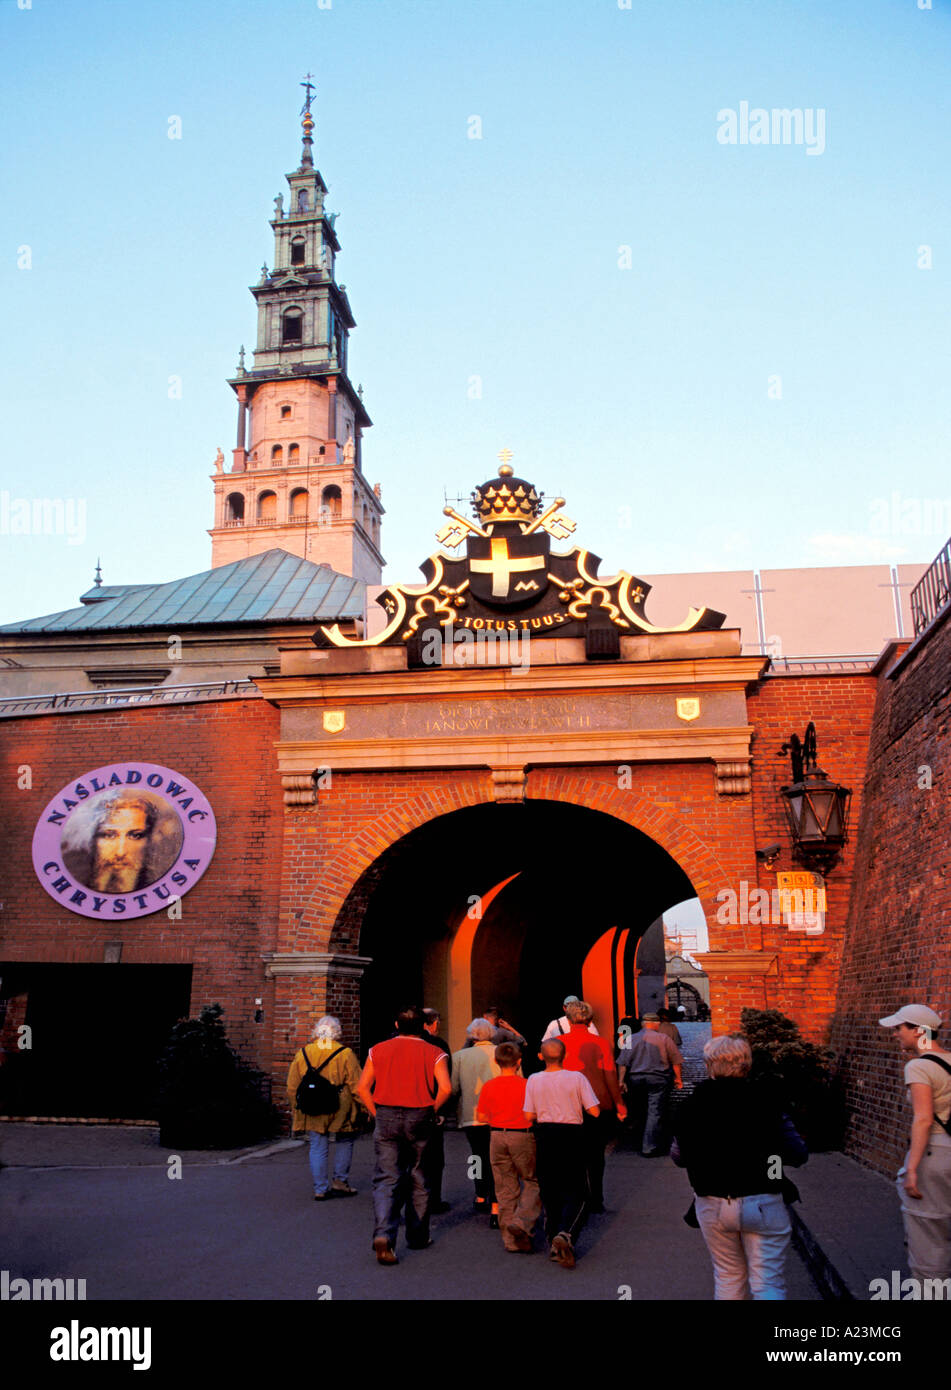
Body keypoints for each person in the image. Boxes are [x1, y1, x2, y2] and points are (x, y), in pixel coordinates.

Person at [671, 1034, 807, 1300]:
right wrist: (773, 1164)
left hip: (712, 1200)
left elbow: (679, 1156)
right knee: (767, 1283)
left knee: (728, 1276)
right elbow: (797, 1152)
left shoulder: (690, 1106)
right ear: (746, 1064)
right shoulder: (767, 1101)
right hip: (763, 1197)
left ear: (710, 1064)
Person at [355, 1005, 451, 1265]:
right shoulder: (435, 1052)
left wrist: (376, 1112)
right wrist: (432, 1108)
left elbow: (362, 1087)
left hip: (386, 1113)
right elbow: (446, 1088)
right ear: (423, 1026)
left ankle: (384, 1233)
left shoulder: (378, 1050)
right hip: (420, 1114)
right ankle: (418, 1235)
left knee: (387, 1177)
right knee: (420, 1174)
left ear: (396, 1026)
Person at [879, 1003, 951, 1286]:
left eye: (899, 1028)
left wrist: (911, 1169)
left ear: (919, 1031)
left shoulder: (919, 1066)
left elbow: (922, 1119)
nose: (896, 1034)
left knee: (929, 1242)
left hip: (935, 1155)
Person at [524, 1037, 600, 1268]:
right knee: (580, 1191)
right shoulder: (577, 1077)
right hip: (572, 1135)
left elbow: (528, 1115)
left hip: (545, 1134)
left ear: (541, 1056)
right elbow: (594, 1111)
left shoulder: (534, 1079)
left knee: (550, 1189)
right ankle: (566, 1233)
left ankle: (552, 1239)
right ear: (565, 1056)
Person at [286, 1015, 364, 1200]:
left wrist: (296, 1107)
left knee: (317, 1145)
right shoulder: (345, 1053)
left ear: (317, 1030)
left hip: (312, 1104)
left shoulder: (303, 1053)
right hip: (340, 1104)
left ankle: (320, 1188)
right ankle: (340, 1181)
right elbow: (357, 1084)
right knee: (345, 1140)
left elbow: (292, 1086)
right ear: (337, 1031)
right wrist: (365, 1107)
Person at [561, 1000, 627, 1212]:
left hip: (567, 1103)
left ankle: (577, 1196)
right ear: (590, 1020)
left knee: (571, 1153)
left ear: (568, 1019)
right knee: (595, 1154)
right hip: (597, 1102)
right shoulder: (600, 1043)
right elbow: (610, 1075)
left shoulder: (558, 1043)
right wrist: (619, 1103)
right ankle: (595, 1198)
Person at [476, 1042, 541, 1252]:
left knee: (504, 1187)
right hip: (522, 1135)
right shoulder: (527, 1085)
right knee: (532, 1181)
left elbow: (481, 1116)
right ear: (519, 1062)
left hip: (496, 1135)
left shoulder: (489, 1086)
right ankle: (522, 1222)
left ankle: (510, 1240)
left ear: (496, 1061)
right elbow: (535, 1113)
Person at [452, 1018, 501, 1224]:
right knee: (497, 1158)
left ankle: (480, 1193)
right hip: (498, 1113)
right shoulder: (501, 1052)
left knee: (477, 1156)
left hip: (471, 1112)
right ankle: (497, 1200)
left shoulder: (459, 1056)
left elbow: (453, 1088)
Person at [617, 1011, 683, 1155]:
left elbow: (622, 1063)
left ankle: (638, 1140)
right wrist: (678, 1079)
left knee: (640, 1109)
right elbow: (676, 1061)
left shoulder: (630, 1039)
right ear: (656, 1024)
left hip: (636, 1078)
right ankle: (648, 1146)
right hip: (658, 1078)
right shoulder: (664, 1039)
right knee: (655, 1111)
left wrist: (621, 1081)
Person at [421, 1007, 452, 1215]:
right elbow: (446, 1083)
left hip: (401, 1109)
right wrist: (440, 1110)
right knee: (433, 1158)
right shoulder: (438, 1045)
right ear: (429, 1024)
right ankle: (432, 1200)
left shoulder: (393, 1044)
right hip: (430, 1105)